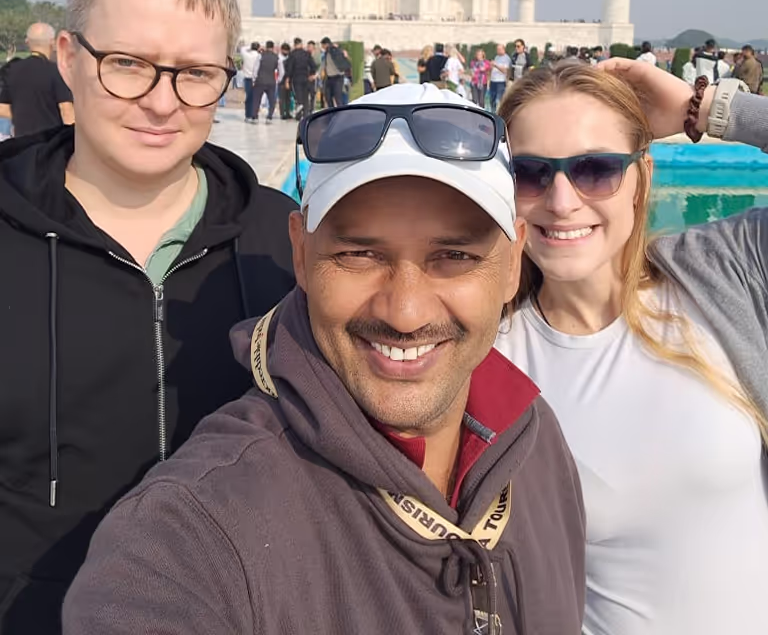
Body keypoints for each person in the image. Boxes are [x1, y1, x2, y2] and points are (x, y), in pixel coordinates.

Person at [64, 83, 587, 635]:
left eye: (453, 256)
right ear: (301, 254)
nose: (405, 312)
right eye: (359, 254)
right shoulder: (191, 535)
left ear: (511, 267)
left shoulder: (532, 443)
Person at [0, 0, 296, 634]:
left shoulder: (280, 240)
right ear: (69, 60)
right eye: (127, 64)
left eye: (195, 73)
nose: (162, 102)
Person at [496, 59, 768, 635]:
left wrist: (711, 110)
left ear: (642, 176)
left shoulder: (722, 280)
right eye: (531, 173)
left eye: (595, 169)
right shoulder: (491, 358)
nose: (562, 200)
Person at [0, 22, 75, 136]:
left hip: (23, 142)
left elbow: (2, 108)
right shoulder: (56, 71)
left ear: (27, 42)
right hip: (50, 142)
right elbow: (66, 110)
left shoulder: (12, 70)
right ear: (53, 43)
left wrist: (23, 116)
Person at [285, 37, 318, 119]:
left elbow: (289, 68)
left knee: (298, 97)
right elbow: (313, 65)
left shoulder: (292, 54)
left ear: (294, 44)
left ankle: (299, 115)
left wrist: (287, 78)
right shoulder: (306, 54)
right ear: (301, 44)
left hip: (296, 78)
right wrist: (312, 74)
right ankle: (306, 114)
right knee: (305, 97)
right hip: (306, 78)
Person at [252, 40, 279, 122]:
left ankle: (255, 117)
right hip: (271, 81)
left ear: (266, 47)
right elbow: (280, 70)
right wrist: (278, 80)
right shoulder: (276, 57)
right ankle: (269, 117)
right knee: (272, 100)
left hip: (260, 80)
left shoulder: (260, 56)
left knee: (257, 99)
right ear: (273, 47)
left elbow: (255, 68)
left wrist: (254, 79)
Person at [320, 36, 348, 108]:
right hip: (329, 77)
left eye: (323, 45)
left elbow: (341, 54)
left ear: (326, 44)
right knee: (328, 96)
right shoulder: (326, 52)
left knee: (337, 97)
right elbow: (323, 64)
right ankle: (332, 112)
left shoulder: (334, 50)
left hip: (338, 77)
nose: (322, 47)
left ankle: (341, 113)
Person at [240, 41, 260, 123]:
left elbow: (242, 49)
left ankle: (247, 115)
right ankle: (254, 115)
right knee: (256, 98)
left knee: (248, 98)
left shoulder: (246, 55)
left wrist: (250, 47)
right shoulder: (259, 56)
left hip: (247, 78)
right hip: (256, 79)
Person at [488, 43, 511, 112]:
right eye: (497, 49)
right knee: (492, 99)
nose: (497, 50)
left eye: (499, 49)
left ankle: (501, 113)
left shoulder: (506, 58)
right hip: (493, 81)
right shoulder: (496, 57)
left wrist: (495, 65)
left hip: (500, 81)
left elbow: (505, 71)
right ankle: (493, 113)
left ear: (503, 49)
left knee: (500, 100)